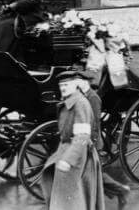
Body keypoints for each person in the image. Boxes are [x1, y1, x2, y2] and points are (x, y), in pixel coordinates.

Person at [41, 70, 105, 210]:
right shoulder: (70, 102)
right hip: (69, 153)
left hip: (76, 156)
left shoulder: (80, 104)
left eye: (66, 85)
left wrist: (68, 159)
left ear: (75, 85)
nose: (63, 88)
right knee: (70, 196)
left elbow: (82, 136)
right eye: (61, 85)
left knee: (72, 198)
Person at [78, 73, 131, 208]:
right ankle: (119, 191)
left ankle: (121, 190)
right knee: (90, 173)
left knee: (93, 173)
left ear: (86, 82)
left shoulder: (93, 98)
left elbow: (95, 123)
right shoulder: (82, 96)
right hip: (84, 139)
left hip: (91, 141)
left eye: (79, 80)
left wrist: (90, 142)